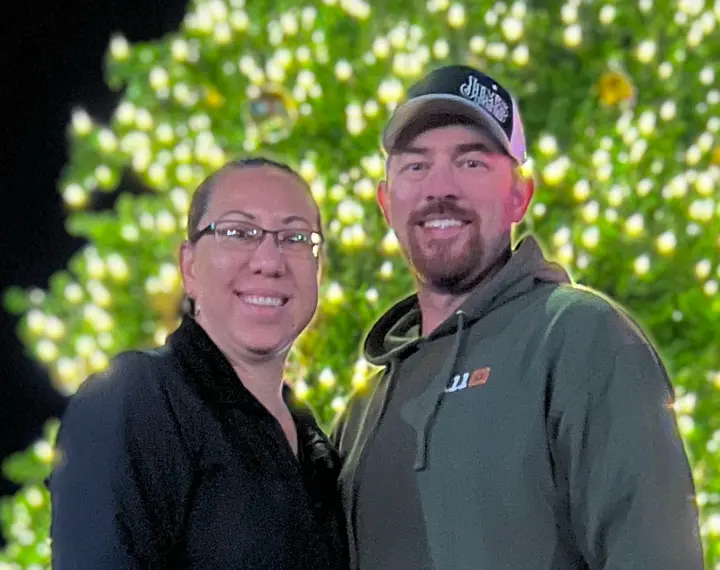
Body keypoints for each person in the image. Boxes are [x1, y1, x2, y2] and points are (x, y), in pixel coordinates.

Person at [332, 65, 704, 569]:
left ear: (519, 196)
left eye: (471, 163)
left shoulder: (580, 337)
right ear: (385, 202)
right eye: (416, 166)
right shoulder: (363, 410)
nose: (440, 187)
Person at [50, 157, 348, 569]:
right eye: (238, 232)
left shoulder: (311, 438)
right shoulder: (137, 399)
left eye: (295, 237)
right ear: (189, 267)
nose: (269, 261)